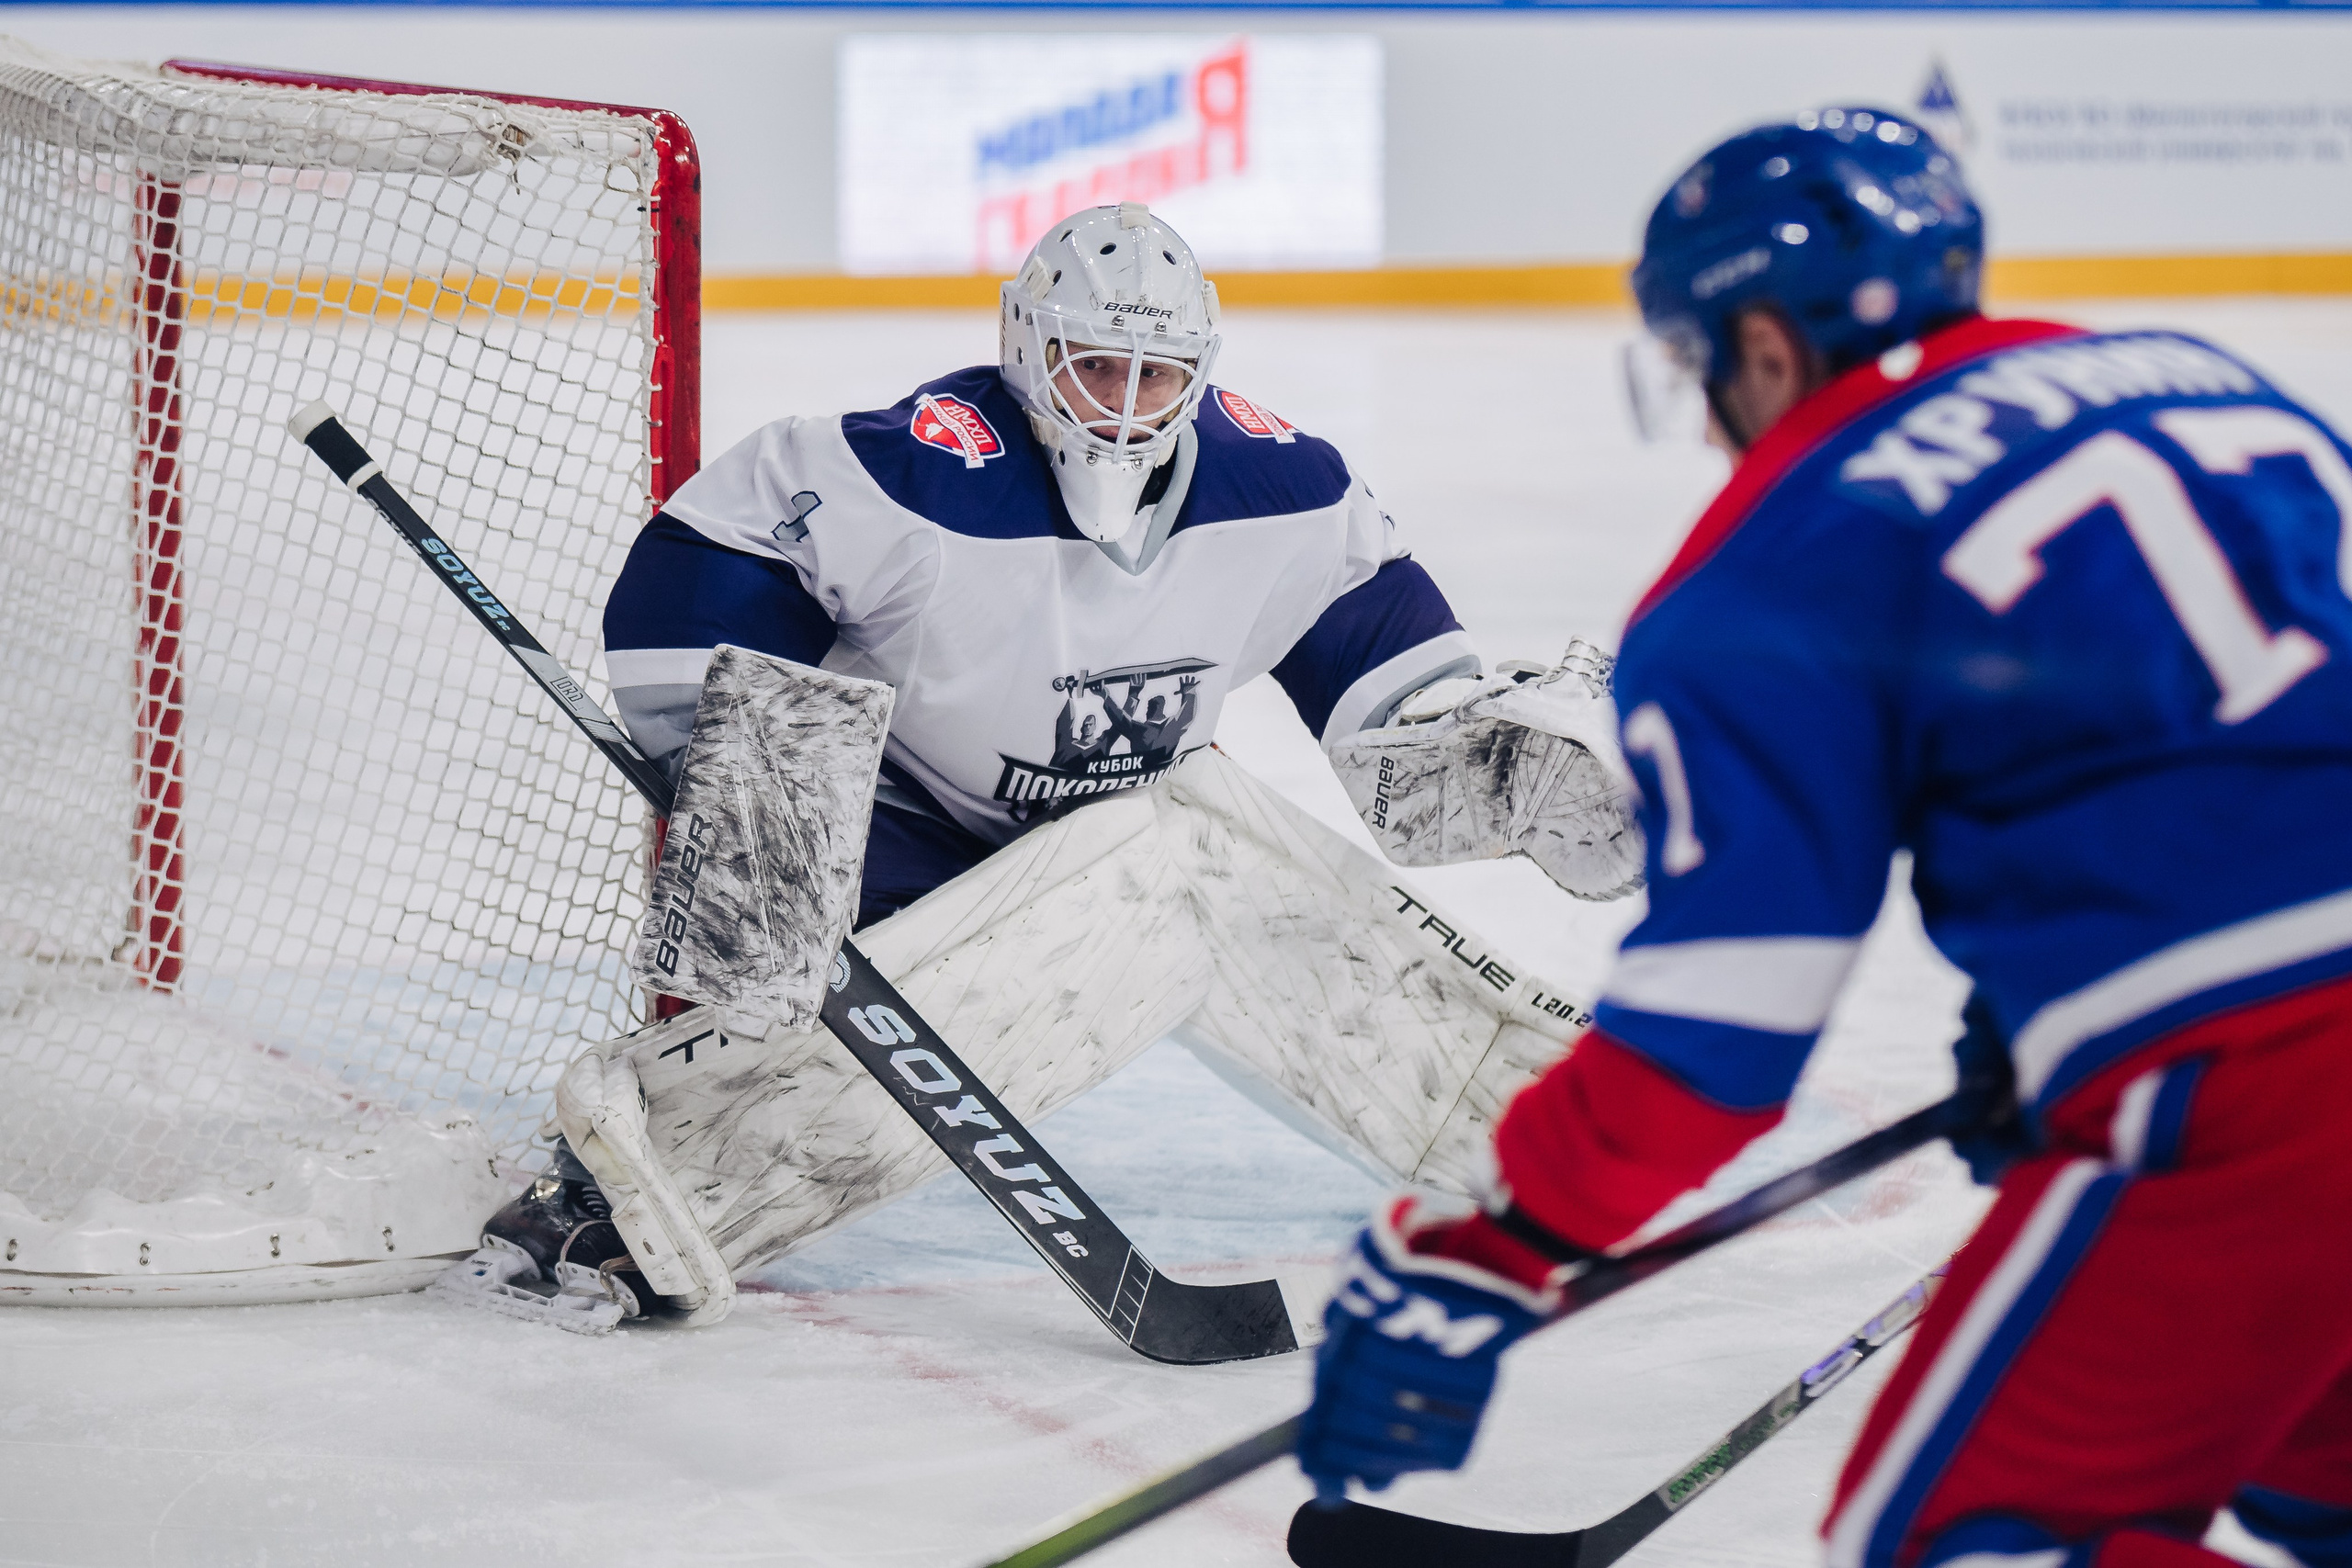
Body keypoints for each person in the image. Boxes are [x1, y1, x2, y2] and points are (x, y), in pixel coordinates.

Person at [1298, 106, 2352, 1568]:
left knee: (1981, 1538)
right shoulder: (2200, 381)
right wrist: (2040, 1007)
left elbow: (1721, 1030)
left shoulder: (1771, 569)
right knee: (2317, 1491)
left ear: (1769, 347)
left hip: (2266, 1076)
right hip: (2281, 1043)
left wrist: (1495, 1244)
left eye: (1701, 360)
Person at [447, 201, 1645, 1331]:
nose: (1125, 405)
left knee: (1253, 883)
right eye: (1095, 368)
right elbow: (715, 547)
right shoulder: (917, 471)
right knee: (971, 976)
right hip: (903, 842)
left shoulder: (1286, 493)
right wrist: (755, 772)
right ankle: (621, 1205)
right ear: (1029, 351)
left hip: (1143, 831)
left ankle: (1560, 1150)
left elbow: (1381, 670)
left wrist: (1494, 766)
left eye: (1157, 374)